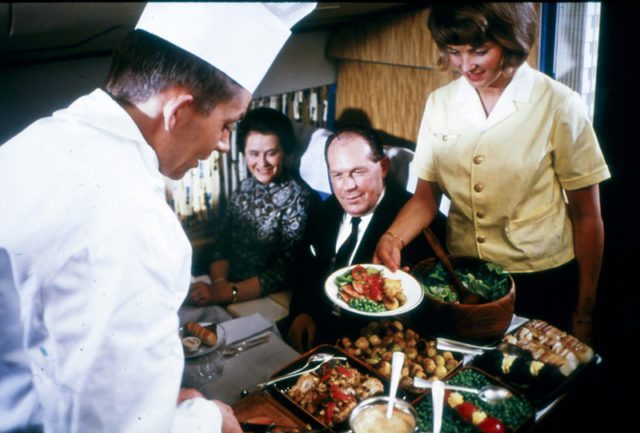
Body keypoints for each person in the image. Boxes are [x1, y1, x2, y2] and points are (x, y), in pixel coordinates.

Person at [0, 3, 315, 433]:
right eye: (226, 123)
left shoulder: (34, 141)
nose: (224, 145)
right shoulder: (137, 227)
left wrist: (157, 399)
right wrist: (207, 419)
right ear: (178, 111)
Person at [374, 3, 610, 343]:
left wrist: (585, 311)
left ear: (511, 42)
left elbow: (587, 216)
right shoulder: (440, 103)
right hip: (463, 275)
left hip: (541, 279)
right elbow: (426, 197)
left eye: (479, 51)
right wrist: (391, 237)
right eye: (454, 52)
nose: (466, 65)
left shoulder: (559, 104)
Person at [286, 126, 438, 352]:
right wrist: (301, 312)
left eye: (358, 172)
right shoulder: (323, 211)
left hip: (374, 347)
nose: (348, 187)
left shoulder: (417, 225)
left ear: (384, 167)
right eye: (337, 175)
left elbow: (423, 312)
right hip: (316, 334)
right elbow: (305, 267)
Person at [188, 107, 319, 306]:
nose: (262, 162)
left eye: (271, 153)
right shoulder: (245, 186)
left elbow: (283, 272)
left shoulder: (299, 199)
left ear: (285, 151)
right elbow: (221, 243)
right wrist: (220, 284)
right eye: (254, 154)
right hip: (225, 287)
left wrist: (226, 293)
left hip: (265, 297)